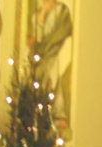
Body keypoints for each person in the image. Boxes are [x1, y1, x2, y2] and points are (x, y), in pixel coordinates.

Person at [28, 0, 72, 128]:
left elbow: (64, 31)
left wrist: (46, 47)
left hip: (59, 49)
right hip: (41, 55)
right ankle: (40, 113)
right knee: (39, 74)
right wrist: (42, 15)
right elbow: (36, 38)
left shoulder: (62, 10)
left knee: (53, 72)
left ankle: (59, 114)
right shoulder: (36, 15)